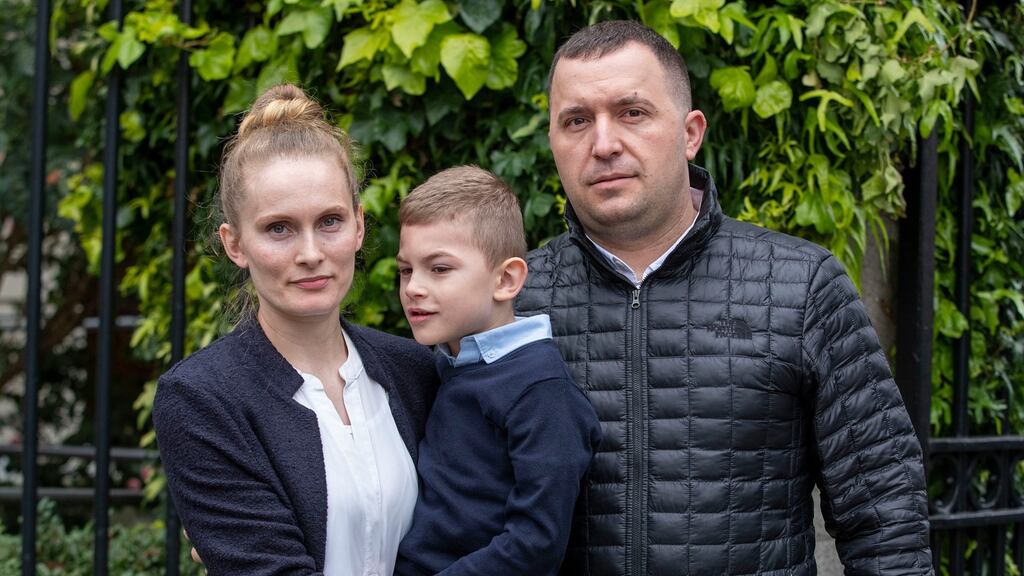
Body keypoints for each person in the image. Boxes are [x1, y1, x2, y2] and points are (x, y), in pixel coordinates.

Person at [515, 20, 932, 574]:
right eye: (576, 120)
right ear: (553, 142)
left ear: (691, 133)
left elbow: (884, 512)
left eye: (632, 112)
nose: (605, 143)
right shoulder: (515, 301)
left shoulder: (801, 286)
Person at [153, 84, 438, 576]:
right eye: (279, 228)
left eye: (329, 221)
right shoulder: (202, 399)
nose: (310, 252)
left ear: (359, 228)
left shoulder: (416, 370)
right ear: (235, 243)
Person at [392, 166, 602, 575]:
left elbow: (536, 543)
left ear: (506, 279)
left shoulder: (540, 391)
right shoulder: (448, 367)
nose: (413, 287)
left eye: (439, 269)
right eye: (406, 269)